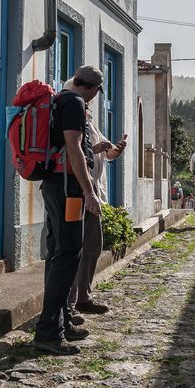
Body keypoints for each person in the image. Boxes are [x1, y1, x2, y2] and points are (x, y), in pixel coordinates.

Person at [33, 65, 103, 355]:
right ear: (95, 90)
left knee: (58, 251)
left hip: (57, 185)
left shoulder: (59, 99)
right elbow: (73, 147)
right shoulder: (74, 103)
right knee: (68, 253)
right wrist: (89, 192)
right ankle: (49, 332)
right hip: (67, 188)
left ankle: (60, 323)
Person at [67, 113, 126, 323]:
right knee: (74, 249)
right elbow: (72, 152)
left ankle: (84, 296)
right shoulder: (68, 118)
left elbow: (106, 154)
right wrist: (95, 149)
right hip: (77, 190)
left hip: (94, 192)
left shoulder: (89, 121)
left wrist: (115, 150)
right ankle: (70, 305)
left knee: (93, 246)